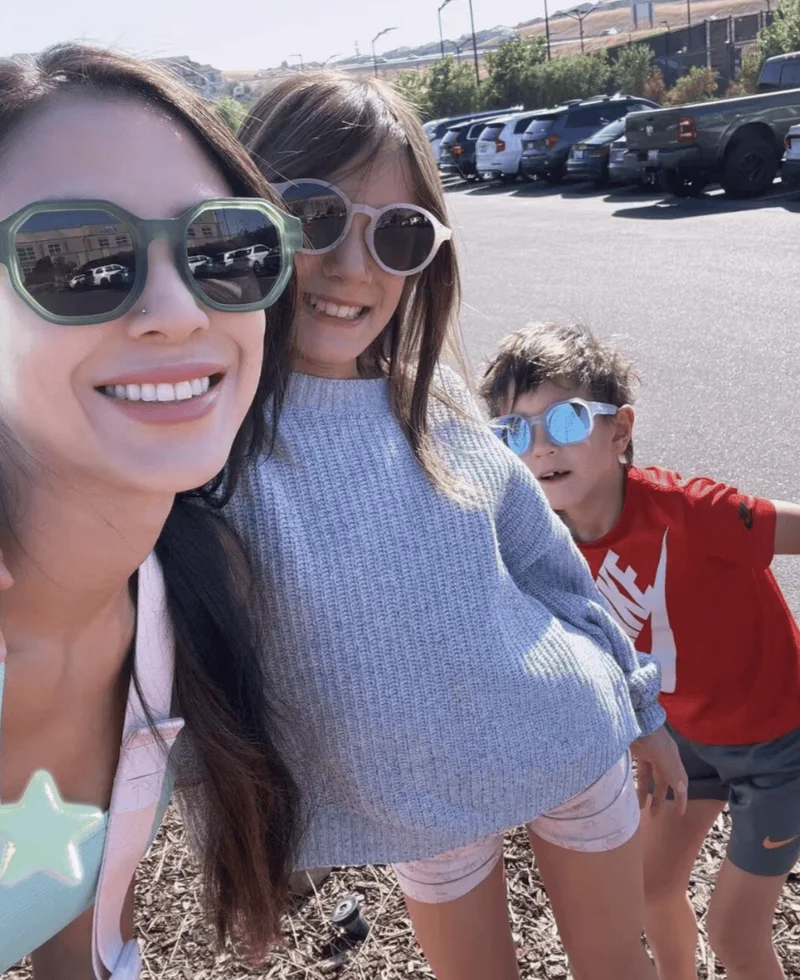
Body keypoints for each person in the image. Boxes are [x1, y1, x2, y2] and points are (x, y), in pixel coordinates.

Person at [228, 73, 687, 980]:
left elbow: (549, 567)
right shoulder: (208, 431)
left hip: (564, 731)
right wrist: (240, 843)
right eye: (315, 216)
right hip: (409, 799)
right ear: (245, 213)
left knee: (615, 965)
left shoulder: (433, 399)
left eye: (398, 233)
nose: (354, 266)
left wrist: (641, 709)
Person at [0, 44, 304, 978]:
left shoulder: (178, 606)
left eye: (225, 249)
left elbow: (78, 948)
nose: (178, 310)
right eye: (76, 258)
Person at [479, 321, 800, 980]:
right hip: (684, 740)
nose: (540, 447)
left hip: (783, 745)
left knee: (734, 932)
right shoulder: (541, 548)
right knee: (651, 889)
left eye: (565, 419)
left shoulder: (690, 511)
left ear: (620, 430)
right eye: (512, 431)